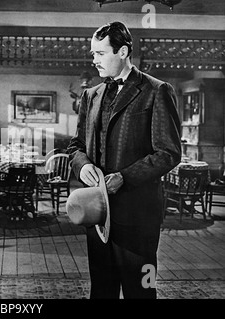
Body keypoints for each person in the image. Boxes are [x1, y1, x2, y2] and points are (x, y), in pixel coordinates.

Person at [66, 21, 181, 299]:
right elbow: (75, 146)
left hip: (138, 218)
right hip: (97, 216)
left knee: (141, 292)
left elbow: (168, 153)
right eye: (93, 54)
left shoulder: (156, 90)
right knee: (102, 292)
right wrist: (84, 166)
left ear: (123, 51)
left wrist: (124, 177)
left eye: (100, 54)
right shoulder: (90, 96)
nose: (94, 61)